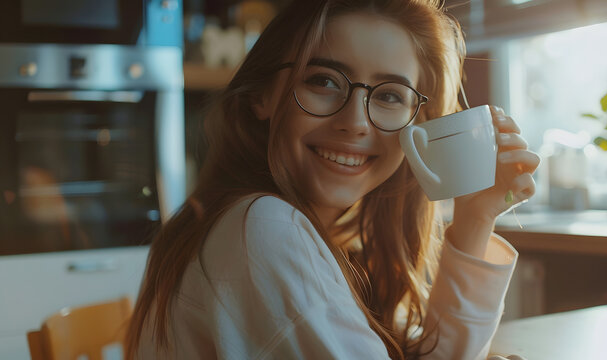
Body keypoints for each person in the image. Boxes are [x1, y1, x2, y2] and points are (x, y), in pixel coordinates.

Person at [126, 0, 540, 359]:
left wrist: (475, 216)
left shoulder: (319, 237)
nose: (356, 122)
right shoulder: (263, 228)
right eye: (323, 80)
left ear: (419, 129)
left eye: (390, 94)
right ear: (261, 94)